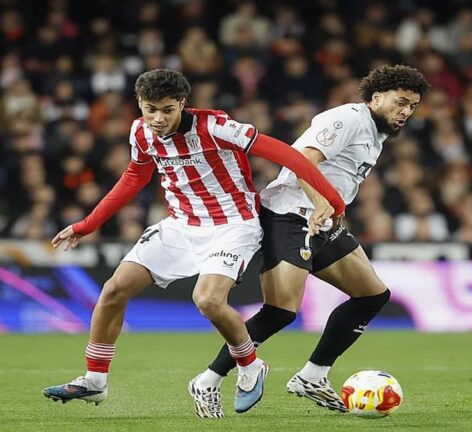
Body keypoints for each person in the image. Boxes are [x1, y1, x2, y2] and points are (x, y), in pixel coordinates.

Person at [41, 69, 345, 416]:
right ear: (139, 104)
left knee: (208, 300)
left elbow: (289, 156)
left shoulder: (216, 127)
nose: (157, 118)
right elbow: (134, 176)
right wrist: (87, 224)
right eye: (150, 109)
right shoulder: (141, 131)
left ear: (182, 104)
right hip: (181, 225)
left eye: (167, 110)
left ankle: (250, 366)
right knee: (113, 290)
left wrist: (331, 199)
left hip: (233, 225)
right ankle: (95, 381)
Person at [187, 65, 429, 417]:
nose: (406, 111)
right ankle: (208, 380)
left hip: (321, 221)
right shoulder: (348, 118)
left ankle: (312, 376)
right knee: (280, 311)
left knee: (372, 296)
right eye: (401, 102)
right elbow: (302, 159)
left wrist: (326, 208)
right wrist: (319, 202)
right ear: (377, 97)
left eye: (412, 106)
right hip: (289, 214)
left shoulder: (376, 133)